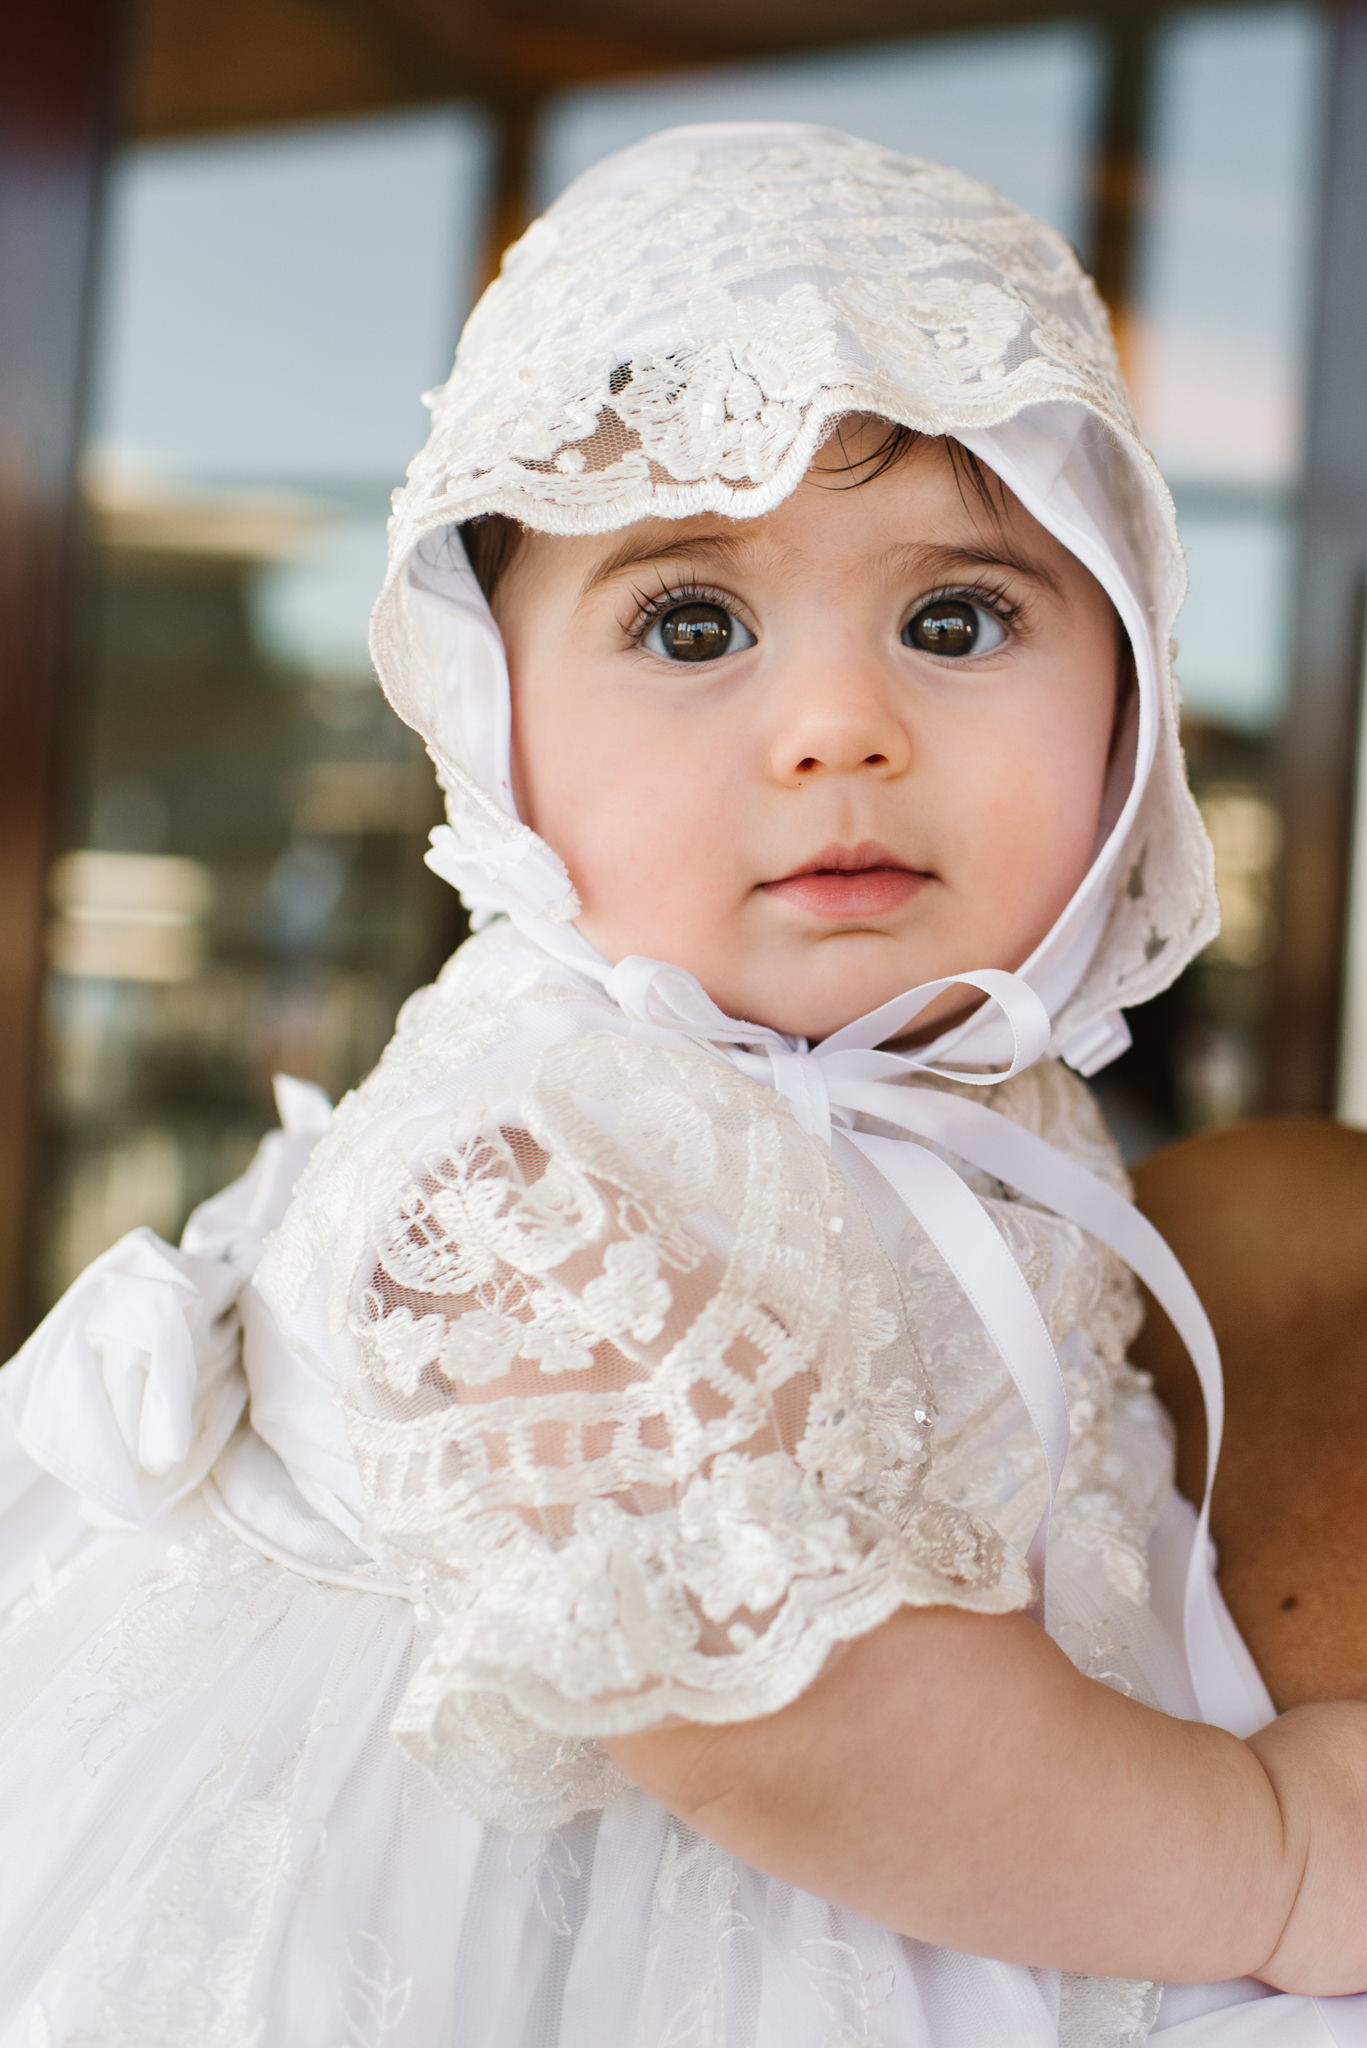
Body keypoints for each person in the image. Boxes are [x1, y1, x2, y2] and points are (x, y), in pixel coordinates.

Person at [0, 121, 1364, 2048]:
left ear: (1130, 694)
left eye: (956, 622)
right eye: (693, 624)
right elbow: (803, 1721)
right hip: (591, 1923)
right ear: (499, 723)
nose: (839, 732)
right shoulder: (537, 1167)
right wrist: (1272, 1856)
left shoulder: (978, 1104)